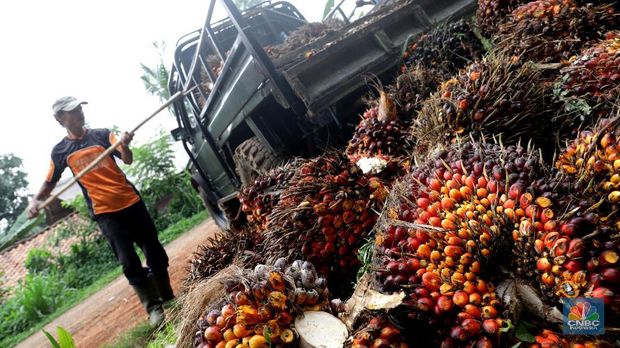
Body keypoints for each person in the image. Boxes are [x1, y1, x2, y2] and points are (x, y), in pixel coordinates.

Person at [27, 96, 173, 326]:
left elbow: (128, 159)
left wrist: (124, 144)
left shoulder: (103, 134)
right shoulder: (60, 152)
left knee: (153, 250)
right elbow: (49, 182)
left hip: (131, 201)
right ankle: (153, 307)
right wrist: (35, 201)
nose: (78, 113)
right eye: (71, 111)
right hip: (106, 213)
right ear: (59, 119)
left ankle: (168, 297)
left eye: (78, 108)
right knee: (128, 261)